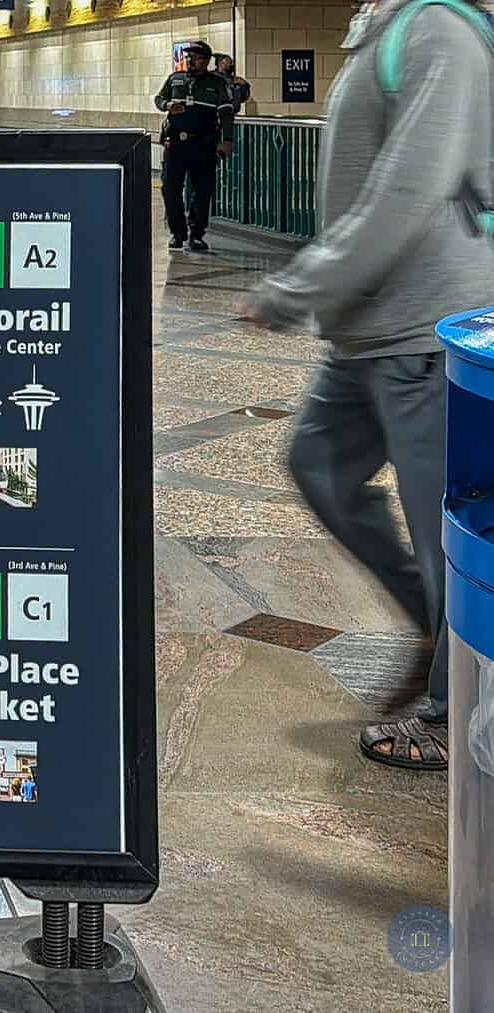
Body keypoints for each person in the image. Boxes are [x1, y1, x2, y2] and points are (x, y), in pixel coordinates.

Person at [244, 0, 494, 772]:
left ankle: (452, 712)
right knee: (317, 462)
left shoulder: (437, 28)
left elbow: (406, 192)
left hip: (425, 329)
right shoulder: (383, 25)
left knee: (443, 531)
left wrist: (298, 287)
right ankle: (429, 617)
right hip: (366, 328)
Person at [154, 41, 236, 252]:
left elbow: (226, 113)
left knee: (202, 191)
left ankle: (197, 234)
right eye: (188, 57)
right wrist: (167, 105)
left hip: (203, 144)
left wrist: (227, 140)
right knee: (170, 188)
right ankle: (177, 233)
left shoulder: (216, 83)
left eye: (196, 58)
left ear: (206, 61)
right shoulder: (175, 79)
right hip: (175, 144)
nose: (190, 61)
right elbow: (159, 98)